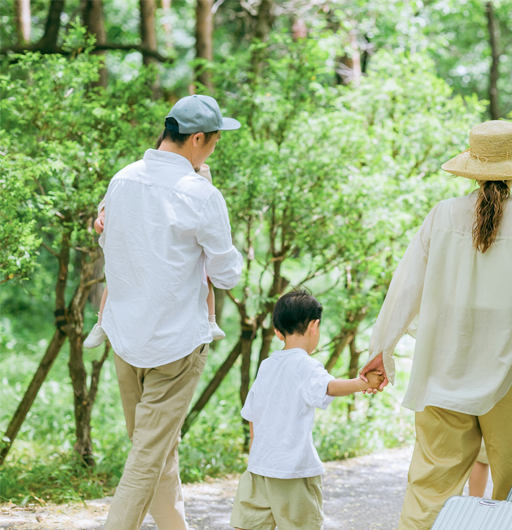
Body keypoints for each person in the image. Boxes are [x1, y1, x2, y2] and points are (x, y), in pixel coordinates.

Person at [360, 120, 512, 530]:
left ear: (471, 167)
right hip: (510, 377)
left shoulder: (442, 215)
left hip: (440, 368)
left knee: (429, 490)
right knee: (511, 493)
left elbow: (404, 288)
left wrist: (380, 350)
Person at [100, 94, 243, 530]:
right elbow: (227, 274)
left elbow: (110, 245)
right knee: (148, 456)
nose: (216, 146)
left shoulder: (122, 179)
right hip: (175, 345)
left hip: (125, 338)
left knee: (157, 450)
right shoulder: (200, 194)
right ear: (198, 139)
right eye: (216, 139)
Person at [230, 290, 385, 530]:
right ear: (315, 326)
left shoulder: (267, 365)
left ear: (278, 331)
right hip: (293, 471)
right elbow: (330, 387)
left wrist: (256, 453)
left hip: (259, 468)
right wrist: (363, 383)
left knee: (248, 525)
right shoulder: (306, 365)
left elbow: (252, 414)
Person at [85, 162, 226, 349]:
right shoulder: (140, 174)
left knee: (203, 276)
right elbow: (110, 200)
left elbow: (206, 205)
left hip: (182, 244)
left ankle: (210, 320)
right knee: (116, 276)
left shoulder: (200, 174)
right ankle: (102, 323)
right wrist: (102, 215)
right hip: (144, 239)